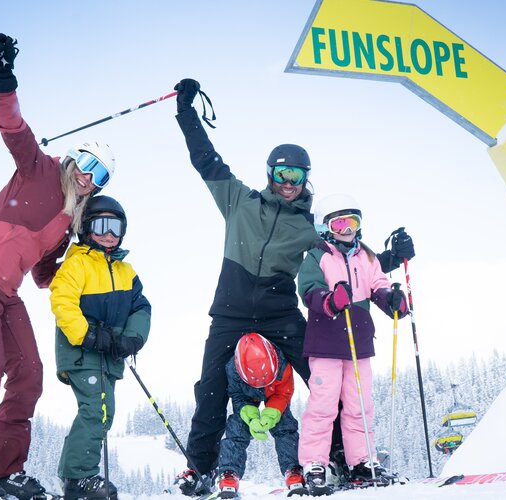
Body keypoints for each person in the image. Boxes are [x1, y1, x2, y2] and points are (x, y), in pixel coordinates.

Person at [170, 78, 414, 496]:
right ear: (270, 174)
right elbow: (206, 160)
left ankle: (341, 458)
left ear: (306, 179)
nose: (289, 181)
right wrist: (186, 112)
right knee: (210, 386)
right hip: (229, 310)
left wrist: (392, 259)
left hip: (279, 310)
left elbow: (346, 257)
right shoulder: (239, 200)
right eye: (282, 173)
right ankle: (200, 468)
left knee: (322, 373)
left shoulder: (309, 227)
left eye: (297, 174)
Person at [0, 34, 118, 500]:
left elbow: (43, 276)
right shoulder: (40, 169)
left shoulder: (66, 225)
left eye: (100, 176)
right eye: (89, 165)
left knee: (28, 373)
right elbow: (15, 131)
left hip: (5, 289)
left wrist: (87, 284)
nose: (88, 177)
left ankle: (2, 473)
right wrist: (2, 84)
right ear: (76, 157)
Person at [296, 194, 408, 494]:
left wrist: (392, 301)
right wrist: (330, 300)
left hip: (358, 344)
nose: (347, 229)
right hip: (325, 344)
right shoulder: (316, 256)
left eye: (352, 222)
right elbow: (308, 290)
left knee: (360, 405)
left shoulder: (367, 256)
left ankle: (362, 460)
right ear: (326, 227)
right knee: (323, 406)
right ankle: (314, 463)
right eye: (339, 223)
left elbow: (379, 286)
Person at [49, 195, 151, 500]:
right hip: (82, 353)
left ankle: (71, 474)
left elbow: (141, 308)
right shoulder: (77, 263)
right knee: (97, 410)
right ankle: (79, 477)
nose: (109, 233)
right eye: (101, 225)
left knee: (102, 411)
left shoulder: (125, 271)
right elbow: (62, 302)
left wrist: (132, 338)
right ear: (86, 229)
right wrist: (88, 335)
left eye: (115, 226)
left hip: (110, 355)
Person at [213, 333, 305, 498]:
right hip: (248, 395)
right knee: (237, 426)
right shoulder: (232, 369)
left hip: (274, 393)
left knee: (285, 424)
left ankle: (294, 469)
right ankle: (229, 473)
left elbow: (284, 393)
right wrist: (251, 416)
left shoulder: (283, 364)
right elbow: (237, 396)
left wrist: (272, 413)